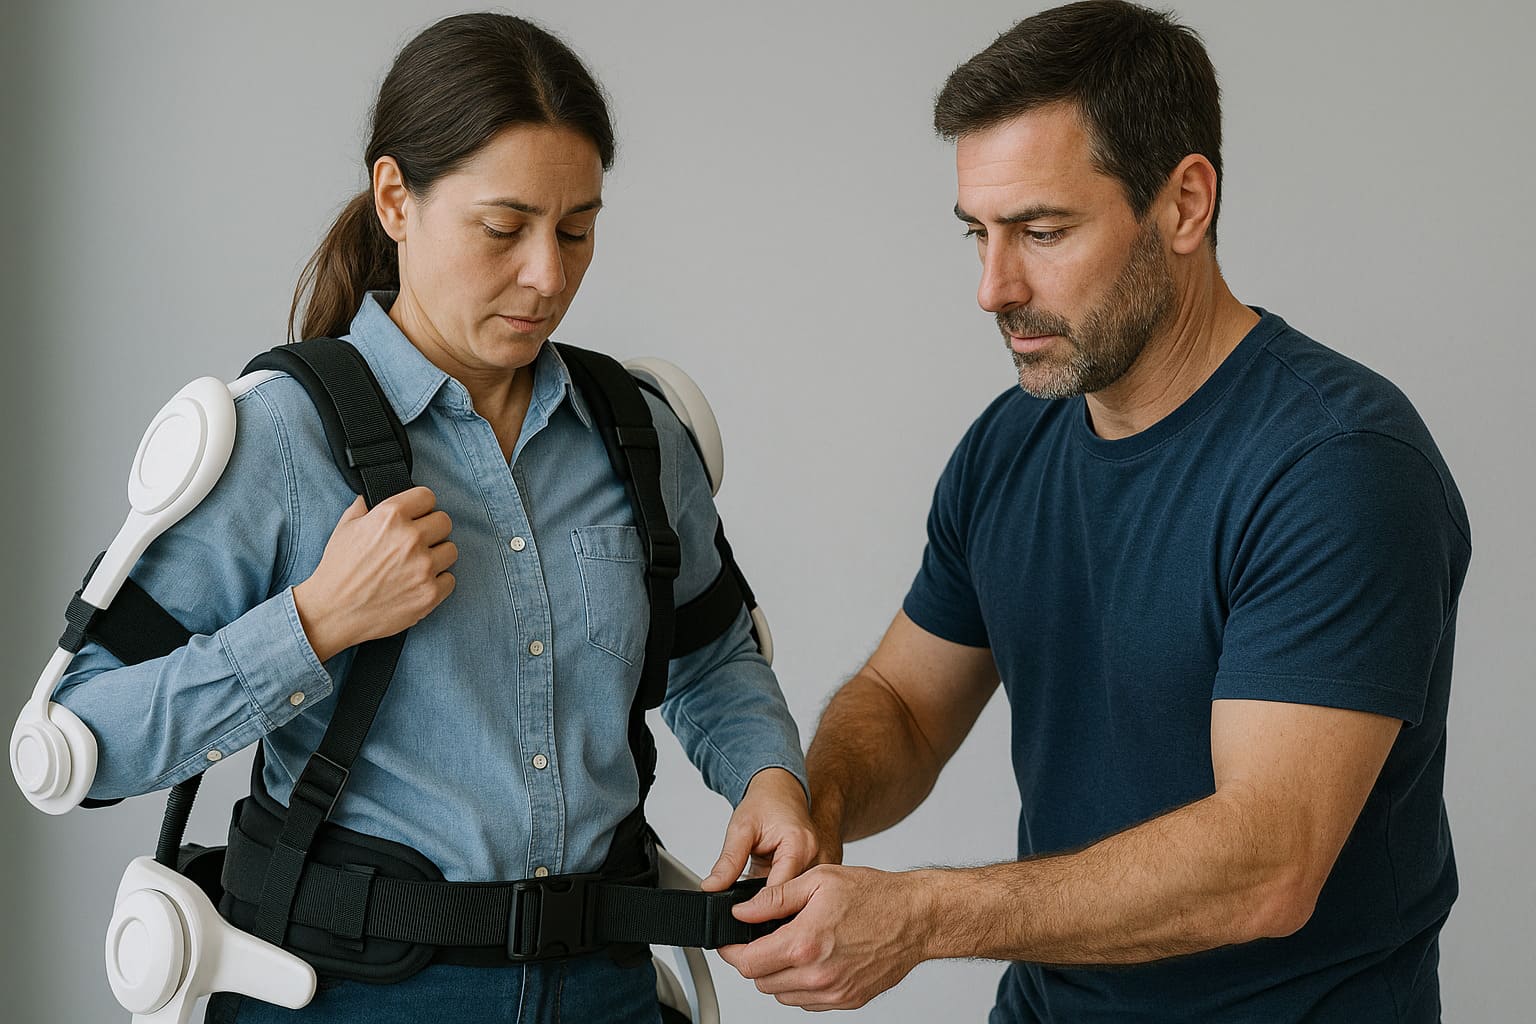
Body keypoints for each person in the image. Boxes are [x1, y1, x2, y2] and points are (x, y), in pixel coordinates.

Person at [49, 13, 816, 1023]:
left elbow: (712, 658)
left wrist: (770, 776)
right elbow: (80, 740)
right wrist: (315, 622)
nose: (548, 275)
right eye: (504, 230)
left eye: (576, 228)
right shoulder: (277, 438)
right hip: (348, 996)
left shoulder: (638, 433)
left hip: (606, 991)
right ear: (395, 199)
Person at [717, 2, 1469, 1021]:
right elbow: (902, 701)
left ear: (1185, 204)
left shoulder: (1336, 466)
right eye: (977, 234)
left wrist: (925, 915)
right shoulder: (1010, 443)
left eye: (1041, 230)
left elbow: (1268, 862)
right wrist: (816, 802)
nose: (993, 287)